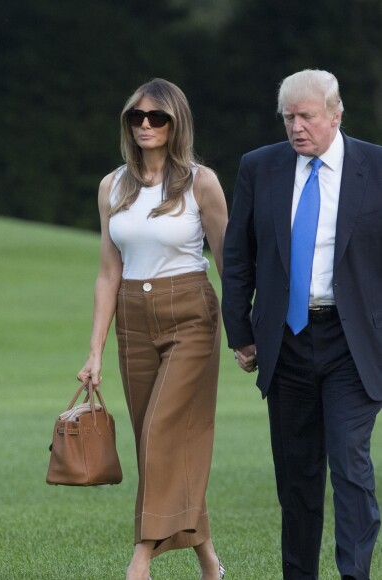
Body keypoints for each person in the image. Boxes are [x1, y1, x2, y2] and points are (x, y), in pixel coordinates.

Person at [222, 69, 382, 579]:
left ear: (335, 115)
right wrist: (241, 333)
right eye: (288, 117)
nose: (296, 127)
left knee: (349, 465)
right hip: (286, 342)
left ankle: (355, 573)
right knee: (297, 477)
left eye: (306, 116)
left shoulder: (376, 167)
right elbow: (238, 255)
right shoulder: (260, 167)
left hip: (353, 344)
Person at [77, 78, 227, 580]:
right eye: (136, 117)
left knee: (163, 432)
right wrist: (94, 349)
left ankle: (140, 559)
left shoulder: (201, 182)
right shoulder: (111, 185)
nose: (145, 125)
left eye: (156, 117)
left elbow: (228, 261)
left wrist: (246, 333)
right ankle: (208, 560)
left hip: (190, 313)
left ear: (175, 122)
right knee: (153, 441)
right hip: (132, 319)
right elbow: (107, 271)